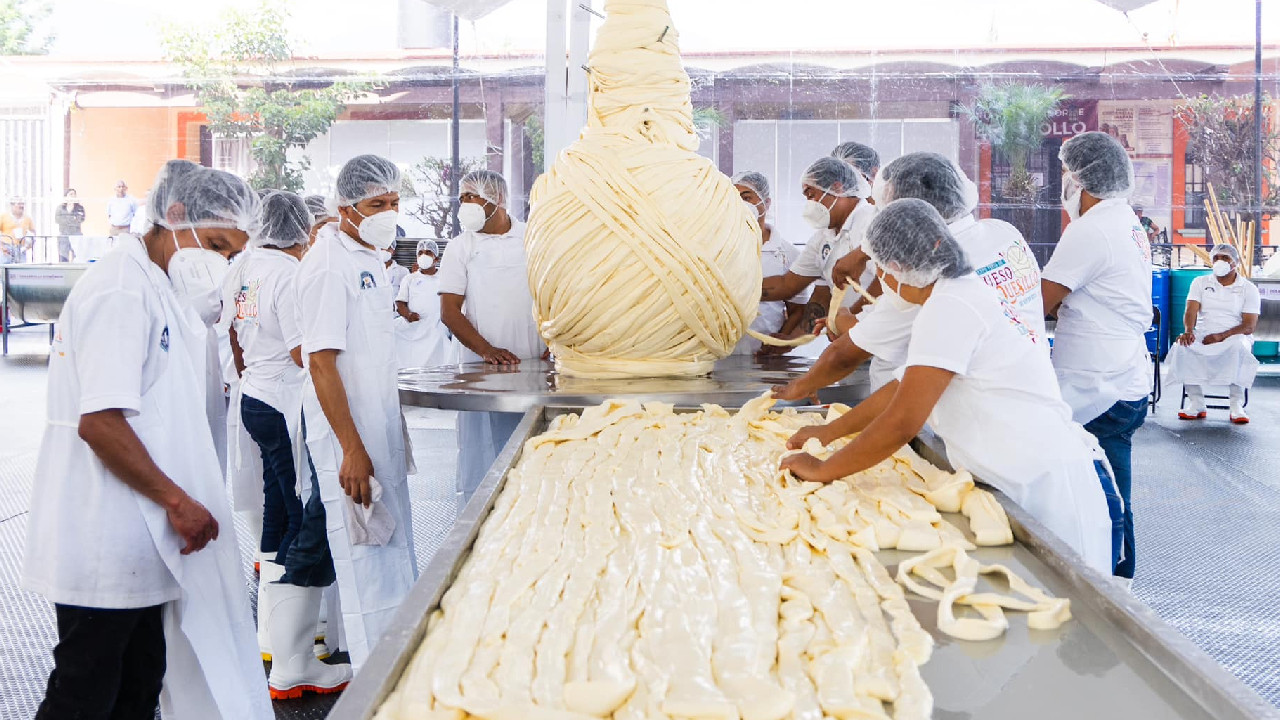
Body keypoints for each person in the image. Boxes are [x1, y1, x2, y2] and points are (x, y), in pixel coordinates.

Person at [23, 161, 271, 719]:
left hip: (139, 531)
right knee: (85, 691)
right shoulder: (120, 289)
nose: (220, 262)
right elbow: (100, 422)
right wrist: (177, 502)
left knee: (138, 684)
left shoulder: (156, 287)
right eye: (215, 245)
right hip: (102, 528)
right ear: (174, 215)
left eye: (231, 254)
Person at [780, 199, 1123, 575]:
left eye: (880, 271)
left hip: (1040, 489)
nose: (883, 285)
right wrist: (828, 432)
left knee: (1056, 591)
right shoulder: (954, 294)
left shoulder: (953, 304)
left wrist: (824, 469)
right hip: (1020, 476)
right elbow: (902, 388)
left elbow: (902, 421)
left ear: (898, 268)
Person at [775, 152, 1044, 398]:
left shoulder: (930, 273)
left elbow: (850, 351)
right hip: (1029, 392)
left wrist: (839, 321)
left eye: (889, 210)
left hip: (957, 414)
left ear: (915, 211)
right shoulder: (1003, 232)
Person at [296, 154, 417, 671]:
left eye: (394, 202)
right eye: (376, 204)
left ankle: (399, 663)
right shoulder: (329, 264)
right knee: (366, 557)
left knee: (391, 550)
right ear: (345, 207)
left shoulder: (369, 258)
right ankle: (375, 678)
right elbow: (320, 362)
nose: (388, 213)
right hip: (350, 437)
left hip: (375, 428)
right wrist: (350, 449)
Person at [232, 190, 351, 697]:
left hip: (255, 395)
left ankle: (272, 636)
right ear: (300, 229)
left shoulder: (247, 266)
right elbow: (306, 353)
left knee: (278, 509)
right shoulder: (287, 274)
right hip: (282, 403)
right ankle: (292, 656)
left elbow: (236, 336)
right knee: (302, 516)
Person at [1041, 130, 1151, 581]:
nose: (1064, 184)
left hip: (1100, 384)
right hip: (1120, 373)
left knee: (1101, 491)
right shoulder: (1123, 219)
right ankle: (1113, 576)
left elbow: (1039, 301)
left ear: (1081, 180)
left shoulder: (1091, 229)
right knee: (1108, 485)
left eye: (1066, 174)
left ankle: (1111, 583)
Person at [438, 169, 545, 498]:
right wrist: (487, 350)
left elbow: (556, 293)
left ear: (496, 198)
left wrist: (554, 345)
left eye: (471, 197)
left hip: (534, 365)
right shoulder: (461, 247)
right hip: (481, 370)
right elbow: (449, 311)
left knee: (533, 451)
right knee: (484, 455)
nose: (464, 205)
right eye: (461, 198)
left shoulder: (533, 237)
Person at [760, 156, 875, 341]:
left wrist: (849, 319)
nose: (809, 204)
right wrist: (792, 340)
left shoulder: (872, 221)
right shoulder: (823, 238)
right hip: (849, 338)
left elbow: (888, 285)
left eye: (811, 195)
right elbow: (789, 286)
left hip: (881, 338)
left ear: (837, 188)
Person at [1166, 243, 1260, 424]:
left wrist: (1220, 336)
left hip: (1235, 335)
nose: (1220, 261)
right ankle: (1196, 403)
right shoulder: (1200, 282)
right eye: (1216, 258)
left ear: (1235, 262)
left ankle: (1236, 405)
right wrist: (1188, 331)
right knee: (1183, 346)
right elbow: (1191, 310)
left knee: (1239, 348)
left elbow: (1249, 326)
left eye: (1225, 258)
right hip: (1204, 333)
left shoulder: (1248, 288)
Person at [731, 171, 808, 354]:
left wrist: (779, 342)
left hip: (764, 355)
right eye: (734, 198)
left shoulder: (787, 253)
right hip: (721, 353)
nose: (740, 204)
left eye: (746, 197)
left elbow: (798, 309)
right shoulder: (716, 248)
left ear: (766, 203)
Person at [395, 239, 451, 368]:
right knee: (392, 332)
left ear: (436, 258)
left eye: (428, 252)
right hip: (412, 323)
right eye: (420, 253)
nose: (423, 255)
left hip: (436, 323)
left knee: (438, 338)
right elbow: (400, 302)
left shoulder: (445, 277)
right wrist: (408, 315)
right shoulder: (410, 278)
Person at [55, 189, 86, 262]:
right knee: (63, 256)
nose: (73, 196)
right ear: (66, 196)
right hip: (64, 234)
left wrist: (68, 219)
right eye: (71, 194)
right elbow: (58, 220)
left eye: (74, 194)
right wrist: (70, 214)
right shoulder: (60, 208)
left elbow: (80, 220)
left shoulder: (80, 208)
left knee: (77, 256)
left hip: (76, 234)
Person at [1, 196, 35, 263]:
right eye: (19, 204)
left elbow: (33, 232)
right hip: (7, 248)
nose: (22, 206)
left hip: (21, 248)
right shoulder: (3, 217)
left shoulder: (27, 218)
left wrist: (29, 244)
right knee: (5, 267)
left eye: (23, 204)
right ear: (12, 205)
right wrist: (1, 247)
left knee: (20, 268)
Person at [384, 246, 410, 311]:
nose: (384, 251)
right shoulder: (372, 270)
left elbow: (407, 296)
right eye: (381, 248)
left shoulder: (403, 271)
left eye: (387, 248)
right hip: (376, 312)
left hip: (396, 314)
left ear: (393, 251)